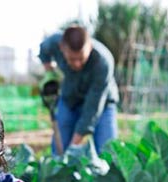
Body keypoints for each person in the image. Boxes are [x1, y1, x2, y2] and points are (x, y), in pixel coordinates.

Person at [38, 24, 119, 155]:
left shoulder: (103, 62)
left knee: (109, 153)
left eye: (81, 58)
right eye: (71, 59)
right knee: (59, 152)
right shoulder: (54, 42)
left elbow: (92, 108)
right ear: (61, 48)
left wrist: (73, 147)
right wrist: (49, 71)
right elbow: (43, 49)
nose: (77, 64)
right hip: (70, 99)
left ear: (90, 47)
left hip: (102, 103)